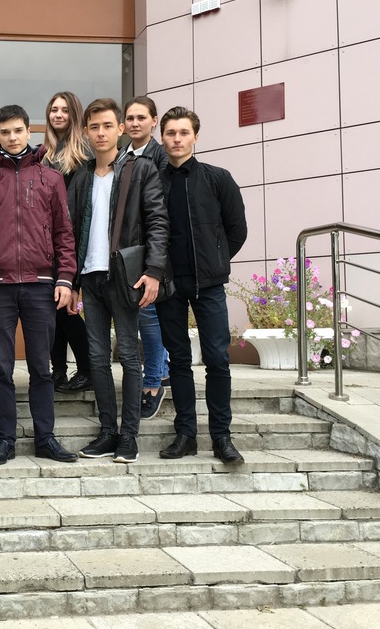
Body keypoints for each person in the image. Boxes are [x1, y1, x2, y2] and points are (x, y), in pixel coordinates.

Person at [0, 104, 79, 466]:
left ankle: (45, 438)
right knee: (0, 367)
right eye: (5, 132)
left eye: (18, 130)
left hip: (41, 285)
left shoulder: (51, 179)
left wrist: (65, 278)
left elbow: (64, 234)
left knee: (42, 367)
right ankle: (5, 440)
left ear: (29, 132)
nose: (12, 137)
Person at [67, 98, 169, 463]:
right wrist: (71, 281)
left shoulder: (140, 170)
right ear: (85, 132)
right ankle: (108, 432)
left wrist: (154, 271)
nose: (101, 133)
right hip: (90, 277)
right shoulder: (81, 177)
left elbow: (158, 222)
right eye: (94, 127)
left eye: (108, 126)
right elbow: (69, 232)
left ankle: (129, 436)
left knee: (127, 354)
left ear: (120, 129)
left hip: (124, 277)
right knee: (96, 358)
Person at [154, 106, 247, 464]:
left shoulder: (217, 178)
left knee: (218, 360)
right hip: (169, 286)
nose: (177, 139)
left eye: (183, 132)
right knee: (178, 361)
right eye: (171, 133)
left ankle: (222, 437)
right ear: (162, 138)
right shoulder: (153, 181)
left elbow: (237, 230)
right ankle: (186, 435)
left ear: (195, 136)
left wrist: (216, 260)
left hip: (208, 285)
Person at [123, 96, 171, 419]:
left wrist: (156, 262)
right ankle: (161, 370)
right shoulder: (122, 156)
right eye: (130, 118)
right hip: (128, 252)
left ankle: (153, 382)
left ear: (154, 121)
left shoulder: (161, 157)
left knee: (148, 317)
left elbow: (159, 213)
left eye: (142, 117)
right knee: (142, 317)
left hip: (150, 252)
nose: (135, 123)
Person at [43, 91, 92, 394]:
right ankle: (58, 370)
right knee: (54, 310)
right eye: (53, 110)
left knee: (68, 310)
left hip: (70, 241)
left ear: (74, 115)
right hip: (46, 242)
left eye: (64, 110)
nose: (58, 115)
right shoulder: (45, 153)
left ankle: (87, 370)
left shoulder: (83, 153)